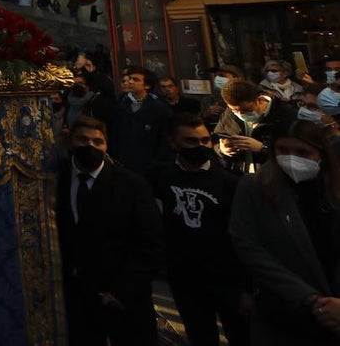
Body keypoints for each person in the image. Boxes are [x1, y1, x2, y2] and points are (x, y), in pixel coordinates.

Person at [56, 115, 163, 346]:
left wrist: (123, 290)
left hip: (122, 294)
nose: (90, 146)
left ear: (106, 145)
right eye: (83, 140)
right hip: (77, 296)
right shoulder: (54, 179)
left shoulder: (132, 185)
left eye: (98, 142)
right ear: (70, 142)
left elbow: (150, 242)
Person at [230, 120, 340, 344]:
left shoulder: (333, 188)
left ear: (321, 153)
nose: (291, 159)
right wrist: (310, 299)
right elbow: (248, 247)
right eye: (283, 150)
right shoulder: (256, 186)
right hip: (285, 308)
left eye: (302, 152)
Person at [148, 114, 249, 346]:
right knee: (200, 335)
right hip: (185, 277)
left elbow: (245, 237)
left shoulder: (230, 182)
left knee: (241, 336)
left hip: (227, 278)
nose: (200, 146)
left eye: (205, 140)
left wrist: (246, 288)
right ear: (173, 143)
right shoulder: (160, 176)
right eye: (191, 141)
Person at [215, 80, 297, 174]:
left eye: (246, 110)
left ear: (259, 100)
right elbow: (216, 139)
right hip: (239, 177)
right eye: (235, 110)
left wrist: (262, 149)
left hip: (272, 177)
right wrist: (222, 149)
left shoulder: (286, 116)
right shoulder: (229, 115)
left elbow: (295, 156)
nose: (240, 114)